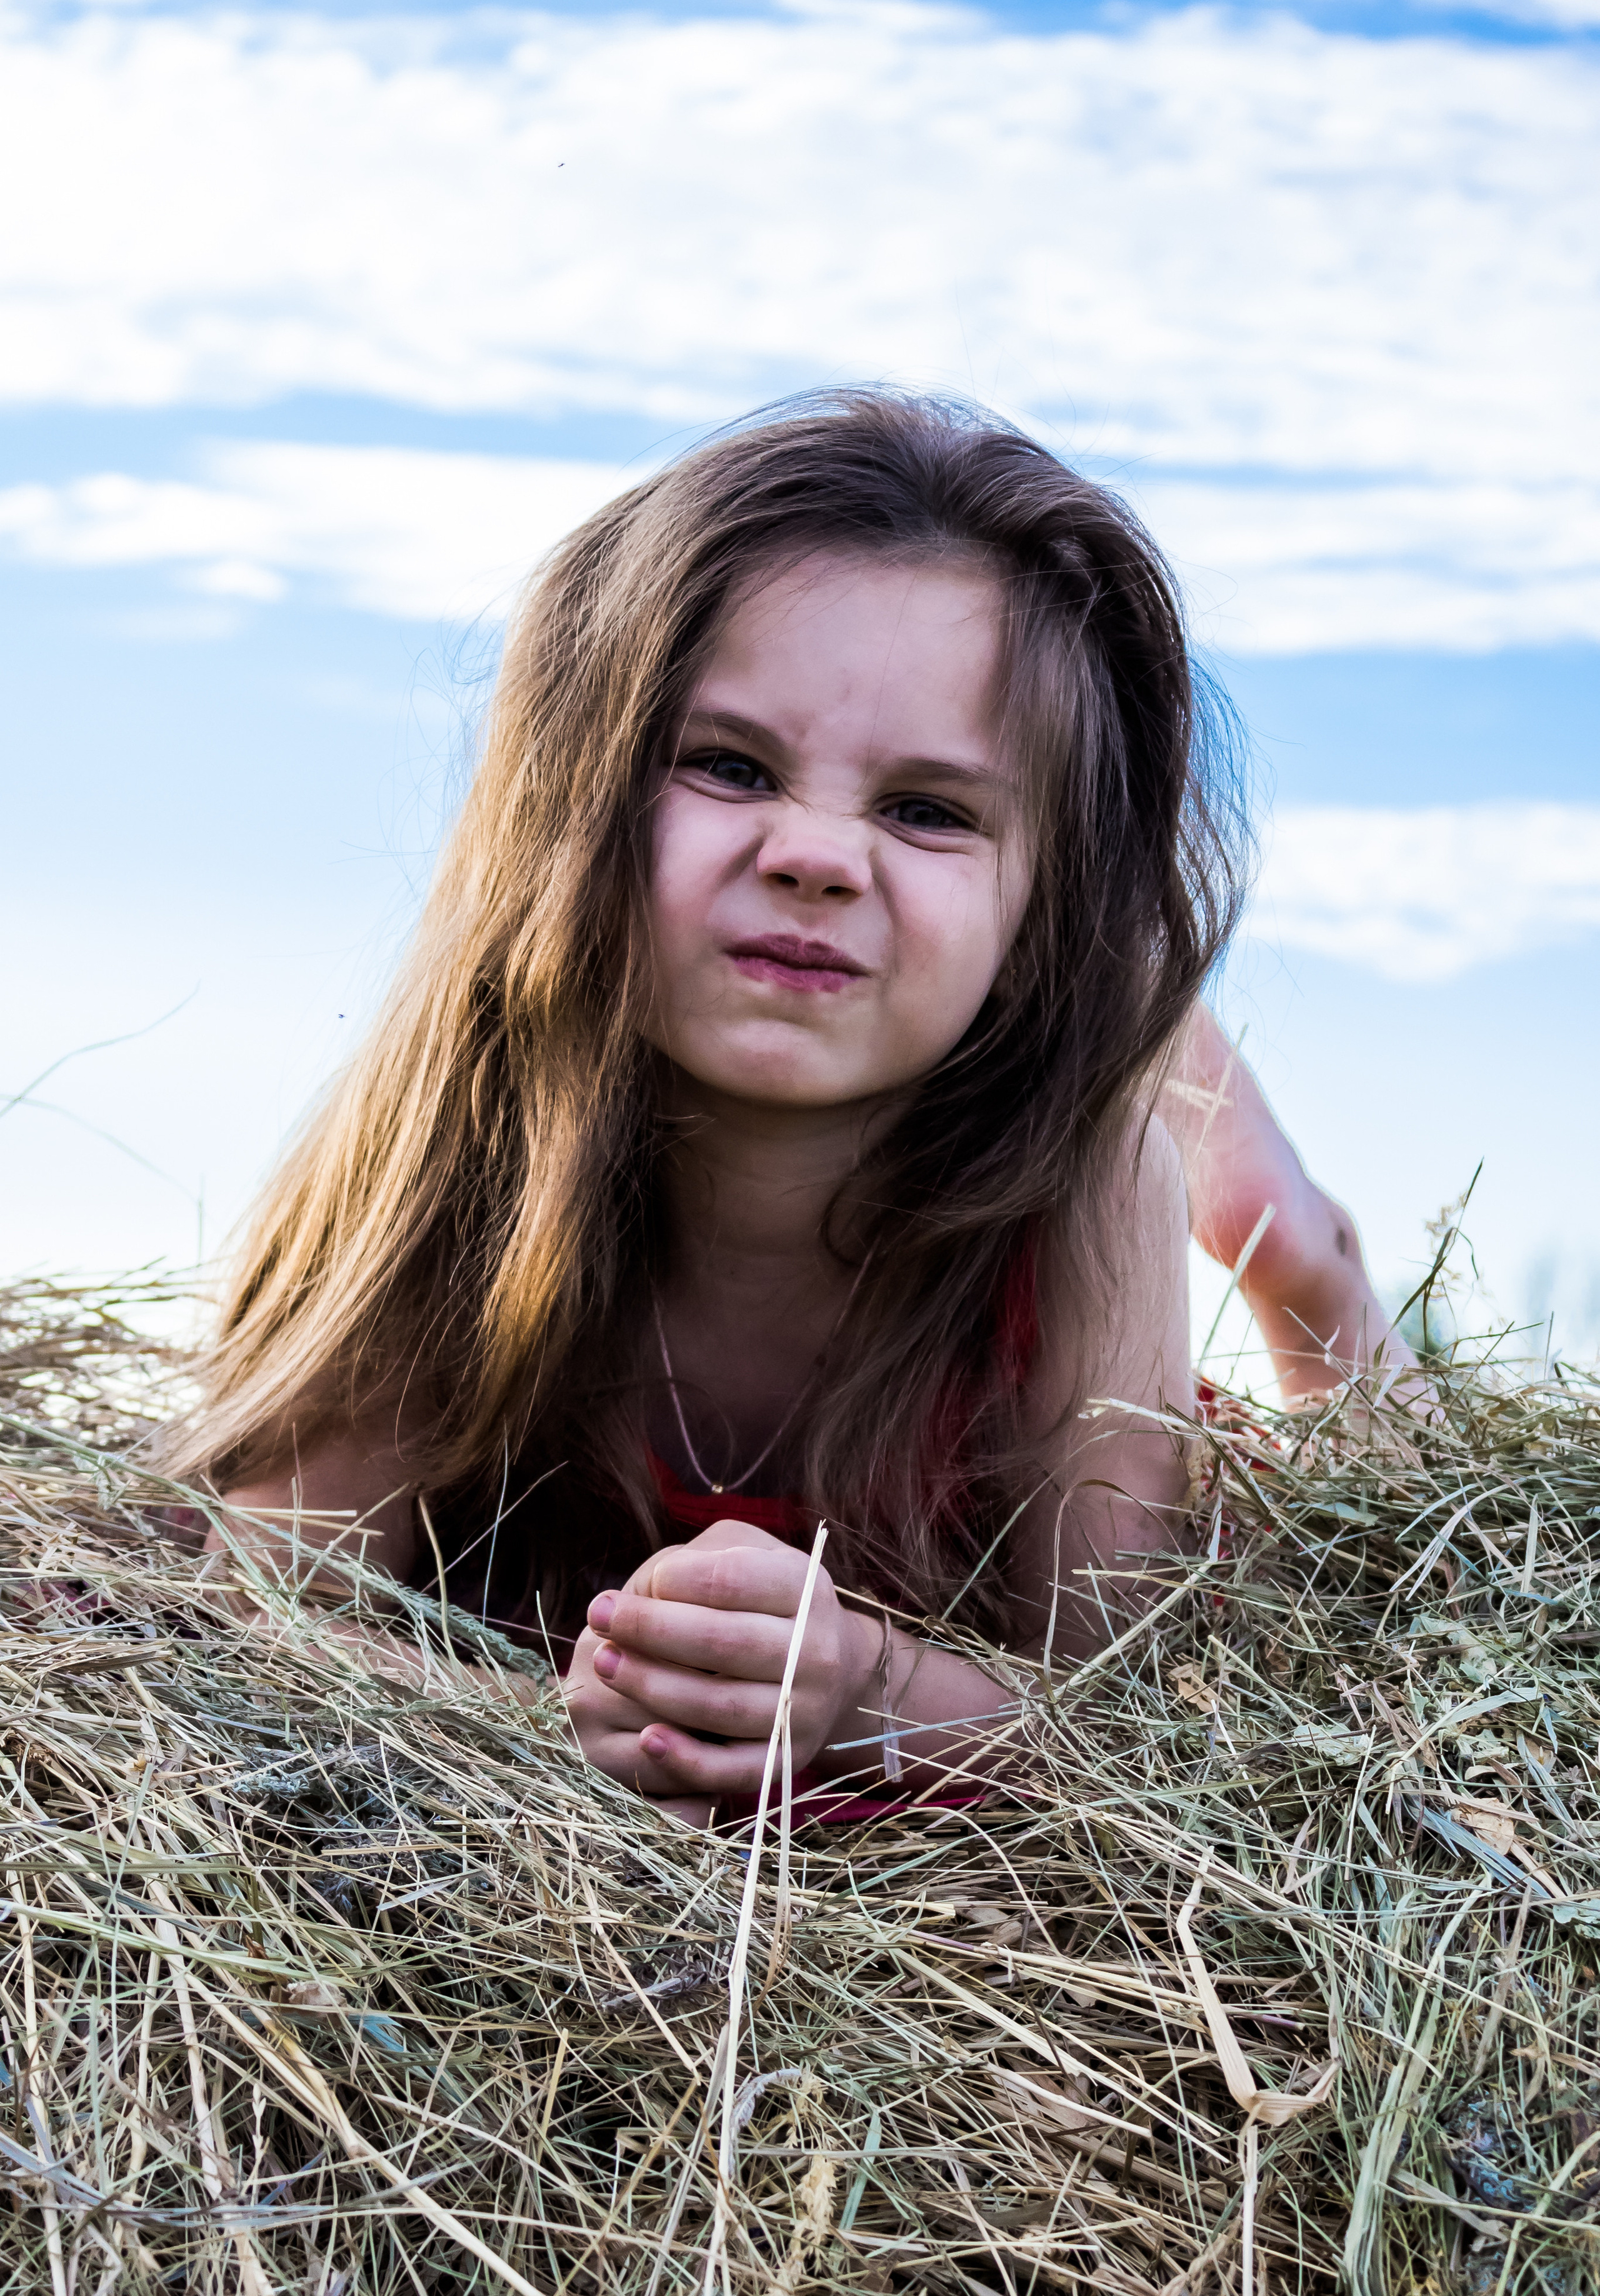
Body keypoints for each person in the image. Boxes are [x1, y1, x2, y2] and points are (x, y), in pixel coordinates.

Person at [166, 391, 1409, 1828]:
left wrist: (862, 1686)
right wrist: (576, 1721)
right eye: (729, 767)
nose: (814, 852)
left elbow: (1119, 1727)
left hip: (1031, 1235)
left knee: (1269, 1238)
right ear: (570, 807)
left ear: (1039, 905)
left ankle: (1273, 1199)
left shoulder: (1087, 1187)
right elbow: (256, 1619)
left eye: (927, 809)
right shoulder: (473, 1128)